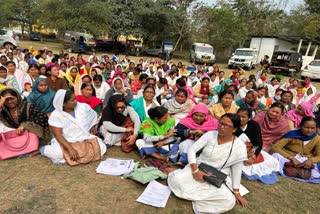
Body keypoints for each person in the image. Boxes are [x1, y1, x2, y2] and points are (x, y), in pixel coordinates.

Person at [167, 114, 248, 213]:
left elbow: (237, 170)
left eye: (226, 125)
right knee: (176, 179)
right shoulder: (210, 134)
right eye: (220, 123)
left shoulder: (239, 146)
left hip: (215, 175)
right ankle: (202, 196)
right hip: (198, 168)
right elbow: (192, 150)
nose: (221, 127)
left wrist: (236, 191)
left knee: (229, 201)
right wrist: (196, 171)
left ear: (234, 129)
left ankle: (197, 198)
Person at [41, 90, 106, 164]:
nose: (76, 101)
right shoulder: (56, 115)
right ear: (63, 103)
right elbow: (58, 134)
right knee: (58, 153)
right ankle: (44, 149)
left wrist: (93, 126)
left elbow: (94, 116)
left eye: (75, 98)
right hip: (67, 141)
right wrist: (70, 149)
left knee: (101, 147)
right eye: (72, 100)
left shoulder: (83, 107)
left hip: (84, 137)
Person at [235, 108, 280, 184]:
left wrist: (252, 155)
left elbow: (257, 143)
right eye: (238, 116)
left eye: (243, 117)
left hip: (250, 149)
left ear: (249, 118)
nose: (240, 119)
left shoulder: (254, 125)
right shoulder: (232, 123)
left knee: (270, 161)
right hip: (234, 150)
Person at [272, 117, 320, 183]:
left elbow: (319, 155)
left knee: (316, 169)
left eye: (312, 128)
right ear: (301, 126)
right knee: (275, 155)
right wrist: (291, 158)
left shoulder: (317, 138)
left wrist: (310, 161)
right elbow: (275, 147)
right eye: (306, 127)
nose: (309, 130)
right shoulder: (292, 134)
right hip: (287, 158)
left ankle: (287, 171)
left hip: (304, 161)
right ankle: (295, 172)